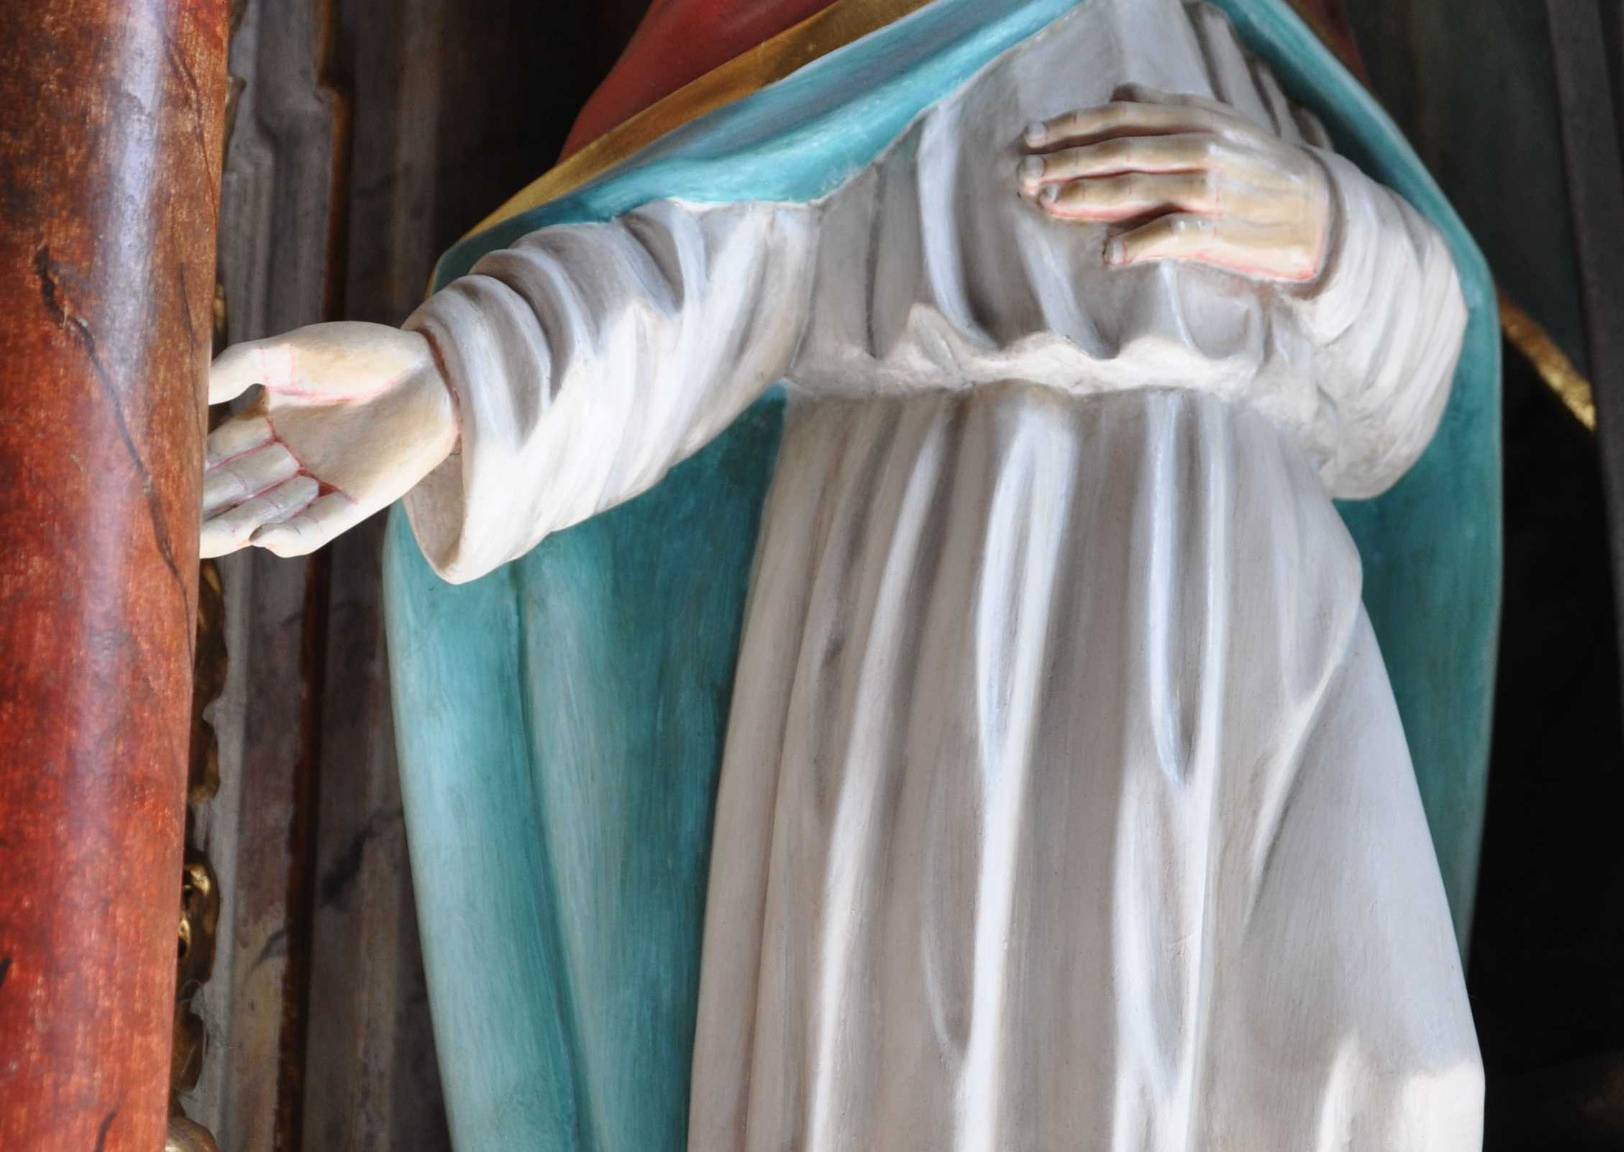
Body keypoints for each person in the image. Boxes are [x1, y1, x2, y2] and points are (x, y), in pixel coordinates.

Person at [205, 1, 1490, 1146]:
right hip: (955, 566)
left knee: (1391, 1081)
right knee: (975, 1080)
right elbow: (696, 265)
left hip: (1254, 572)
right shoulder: (844, 19)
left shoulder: (1265, 36)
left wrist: (1328, 233)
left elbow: (1400, 419)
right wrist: (459, 379)